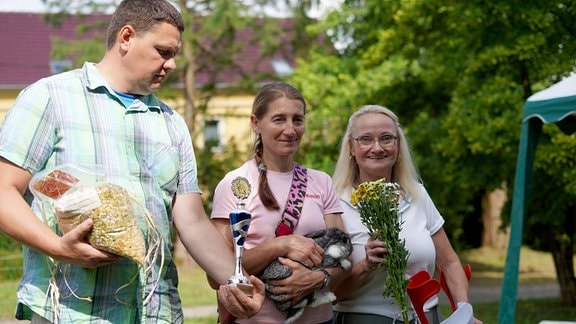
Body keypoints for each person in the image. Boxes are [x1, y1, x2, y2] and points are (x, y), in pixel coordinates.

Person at [0, 0, 264, 322]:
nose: (172, 65)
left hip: (156, 313)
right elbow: (3, 191)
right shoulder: (50, 98)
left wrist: (236, 281)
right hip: (72, 311)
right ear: (126, 37)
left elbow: (192, 222)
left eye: (175, 55)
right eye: (163, 52)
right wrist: (58, 247)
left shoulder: (171, 122)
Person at [209, 81, 349, 323]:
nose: (290, 129)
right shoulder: (236, 183)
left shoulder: (321, 182)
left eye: (297, 119)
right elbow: (215, 275)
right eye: (278, 119)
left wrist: (316, 279)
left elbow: (345, 255)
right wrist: (279, 246)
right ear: (256, 123)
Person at [331, 105, 482, 324]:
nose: (377, 147)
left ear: (398, 145)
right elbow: (332, 294)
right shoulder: (335, 202)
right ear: (351, 148)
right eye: (365, 139)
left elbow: (449, 263)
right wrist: (366, 264)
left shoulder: (417, 193)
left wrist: (464, 311)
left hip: (427, 317)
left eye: (386, 138)